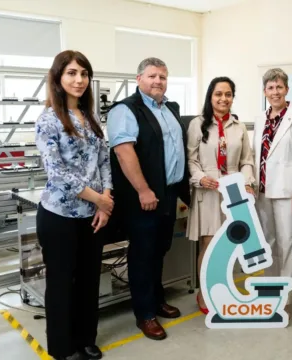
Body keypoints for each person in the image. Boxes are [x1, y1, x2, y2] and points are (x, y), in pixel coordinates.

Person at [35, 50, 113, 360]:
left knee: (89, 280)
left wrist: (105, 202)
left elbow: (104, 160)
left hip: (92, 216)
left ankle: (86, 338)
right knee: (61, 284)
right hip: (60, 216)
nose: (79, 79)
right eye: (71, 73)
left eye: (84, 73)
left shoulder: (90, 117)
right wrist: (101, 200)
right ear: (57, 78)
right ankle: (63, 348)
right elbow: (57, 173)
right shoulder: (48, 120)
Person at [106, 57, 191, 341]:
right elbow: (124, 153)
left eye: (163, 77)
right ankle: (144, 314)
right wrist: (143, 190)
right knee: (142, 255)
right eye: (152, 76)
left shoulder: (169, 109)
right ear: (139, 78)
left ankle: (156, 300)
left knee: (160, 249)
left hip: (167, 194)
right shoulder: (126, 110)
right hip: (143, 197)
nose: (158, 81)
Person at [186, 76, 255, 314]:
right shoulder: (198, 124)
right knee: (208, 243)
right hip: (208, 189)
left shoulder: (239, 126)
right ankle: (204, 294)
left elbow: (247, 160)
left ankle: (222, 288)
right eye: (218, 94)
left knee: (229, 245)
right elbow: (191, 159)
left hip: (233, 191)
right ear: (210, 96)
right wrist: (199, 177)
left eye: (228, 94)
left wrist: (247, 182)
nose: (223, 98)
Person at [253, 68, 292, 297]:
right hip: (263, 190)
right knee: (268, 242)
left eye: (279, 87)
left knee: (287, 242)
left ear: (286, 89)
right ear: (264, 91)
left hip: (287, 191)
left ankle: (283, 293)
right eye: (270, 87)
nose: (275, 92)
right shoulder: (260, 118)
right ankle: (269, 288)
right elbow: (257, 154)